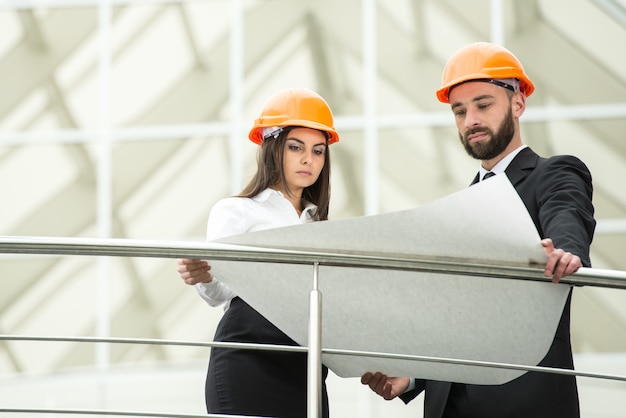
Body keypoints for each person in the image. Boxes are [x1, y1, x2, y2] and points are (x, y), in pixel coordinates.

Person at [361, 42, 596, 418]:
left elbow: (567, 212)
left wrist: (568, 252)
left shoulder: (551, 173)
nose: (470, 119)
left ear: (518, 104)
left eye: (483, 105)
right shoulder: (459, 209)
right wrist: (414, 376)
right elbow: (454, 316)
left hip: (523, 398)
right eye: (460, 111)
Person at [176, 88, 339, 418]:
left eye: (318, 151)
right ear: (272, 149)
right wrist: (205, 275)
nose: (309, 159)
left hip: (306, 365)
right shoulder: (236, 210)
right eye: (296, 147)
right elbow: (218, 295)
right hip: (250, 355)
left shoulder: (320, 226)